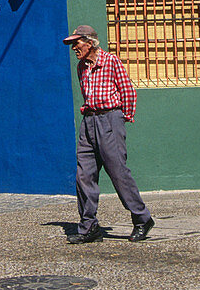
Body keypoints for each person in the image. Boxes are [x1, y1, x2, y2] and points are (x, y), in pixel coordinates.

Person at [64, 24, 153, 243]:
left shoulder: (111, 61)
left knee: (118, 172)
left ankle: (142, 218)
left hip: (109, 120)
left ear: (90, 42)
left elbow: (127, 90)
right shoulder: (81, 67)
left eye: (77, 43)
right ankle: (89, 227)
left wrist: (122, 120)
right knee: (83, 175)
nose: (74, 47)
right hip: (89, 122)